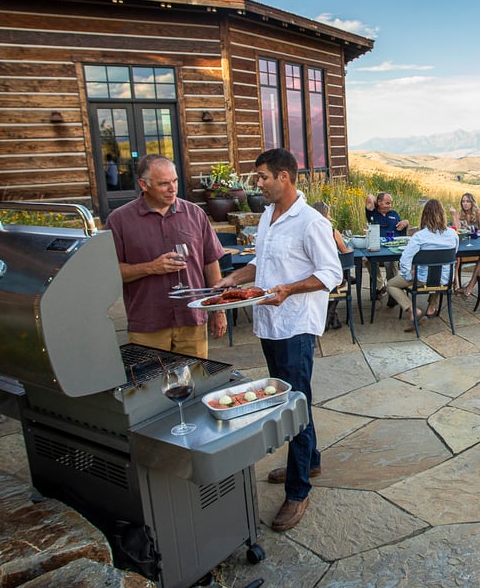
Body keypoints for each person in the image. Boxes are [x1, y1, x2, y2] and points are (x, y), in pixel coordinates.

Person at [215, 148, 341, 532]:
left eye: (263, 177)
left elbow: (331, 272)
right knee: (292, 395)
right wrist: (232, 280)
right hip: (269, 322)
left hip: (296, 325)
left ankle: (298, 489)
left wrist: (290, 289)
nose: (258, 184)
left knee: (293, 404)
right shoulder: (268, 216)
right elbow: (261, 265)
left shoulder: (310, 222)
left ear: (284, 177)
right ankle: (311, 459)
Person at [106, 154, 227, 357]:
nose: (172, 188)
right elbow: (111, 272)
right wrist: (151, 267)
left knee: (194, 385)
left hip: (192, 319)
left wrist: (219, 310)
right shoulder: (119, 220)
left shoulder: (195, 214)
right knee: (150, 386)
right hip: (148, 322)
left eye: (175, 181)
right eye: (164, 184)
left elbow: (210, 263)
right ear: (143, 185)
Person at [384, 199, 459, 331]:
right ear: (443, 214)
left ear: (424, 215)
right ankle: (431, 308)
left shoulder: (420, 236)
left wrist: (407, 275)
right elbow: (454, 254)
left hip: (423, 278)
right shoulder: (453, 234)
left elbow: (405, 259)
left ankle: (412, 310)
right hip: (446, 279)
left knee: (391, 284)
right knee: (439, 274)